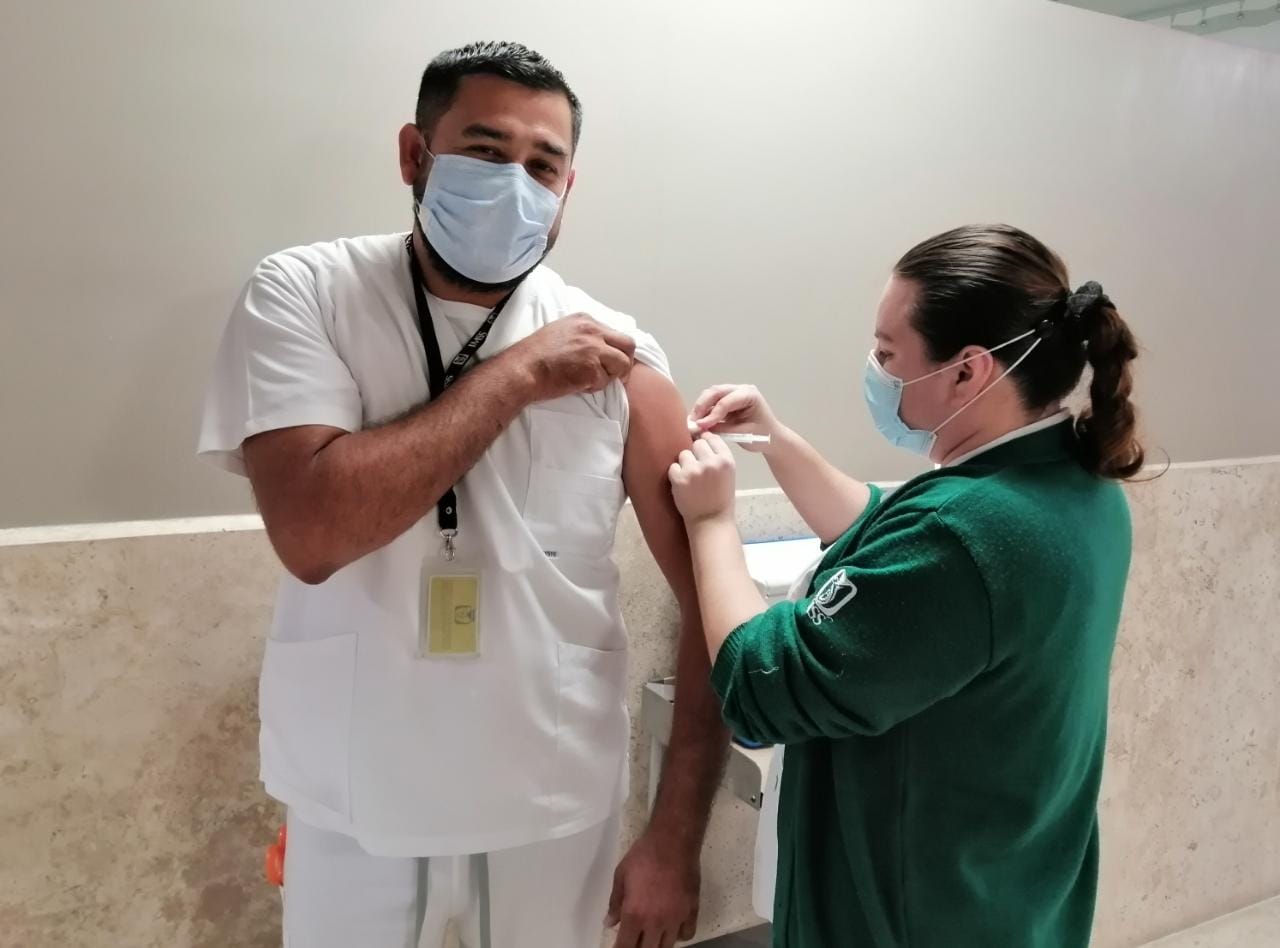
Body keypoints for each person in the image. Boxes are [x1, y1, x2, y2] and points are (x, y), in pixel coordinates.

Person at [198, 41, 725, 948]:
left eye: (543, 166)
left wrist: (676, 837)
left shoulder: (623, 361)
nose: (515, 183)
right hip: (354, 803)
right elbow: (314, 534)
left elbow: (713, 608)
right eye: (485, 151)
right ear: (416, 155)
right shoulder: (305, 295)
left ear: (567, 188)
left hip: (550, 805)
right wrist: (517, 376)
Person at [668, 224, 1146, 948]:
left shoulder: (965, 535)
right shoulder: (1072, 486)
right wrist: (773, 440)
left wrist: (711, 523)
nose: (876, 370)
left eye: (888, 355)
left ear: (968, 371)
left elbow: (762, 685)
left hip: (908, 918)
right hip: (1007, 895)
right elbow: (889, 539)